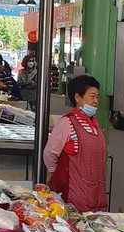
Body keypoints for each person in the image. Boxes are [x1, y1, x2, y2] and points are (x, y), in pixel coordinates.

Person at [43, 75, 107, 213]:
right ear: (78, 97)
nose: (96, 101)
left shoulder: (95, 124)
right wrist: (58, 175)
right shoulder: (67, 123)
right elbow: (49, 153)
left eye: (97, 97)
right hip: (74, 193)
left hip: (96, 194)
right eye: (92, 96)